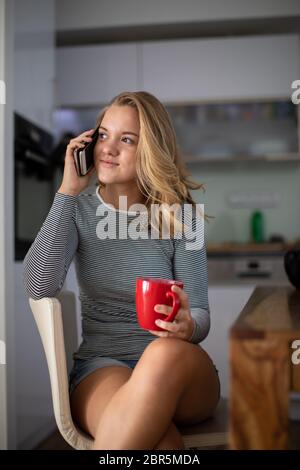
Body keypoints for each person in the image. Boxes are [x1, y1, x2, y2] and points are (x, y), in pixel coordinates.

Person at [23, 91, 220, 450]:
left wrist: (188, 325)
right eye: (103, 135)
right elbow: (39, 286)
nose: (107, 149)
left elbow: (202, 316)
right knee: (161, 444)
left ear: (152, 151)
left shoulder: (183, 218)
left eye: (126, 139)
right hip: (103, 365)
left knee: (161, 354)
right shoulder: (79, 209)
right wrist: (67, 191)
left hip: (180, 369)